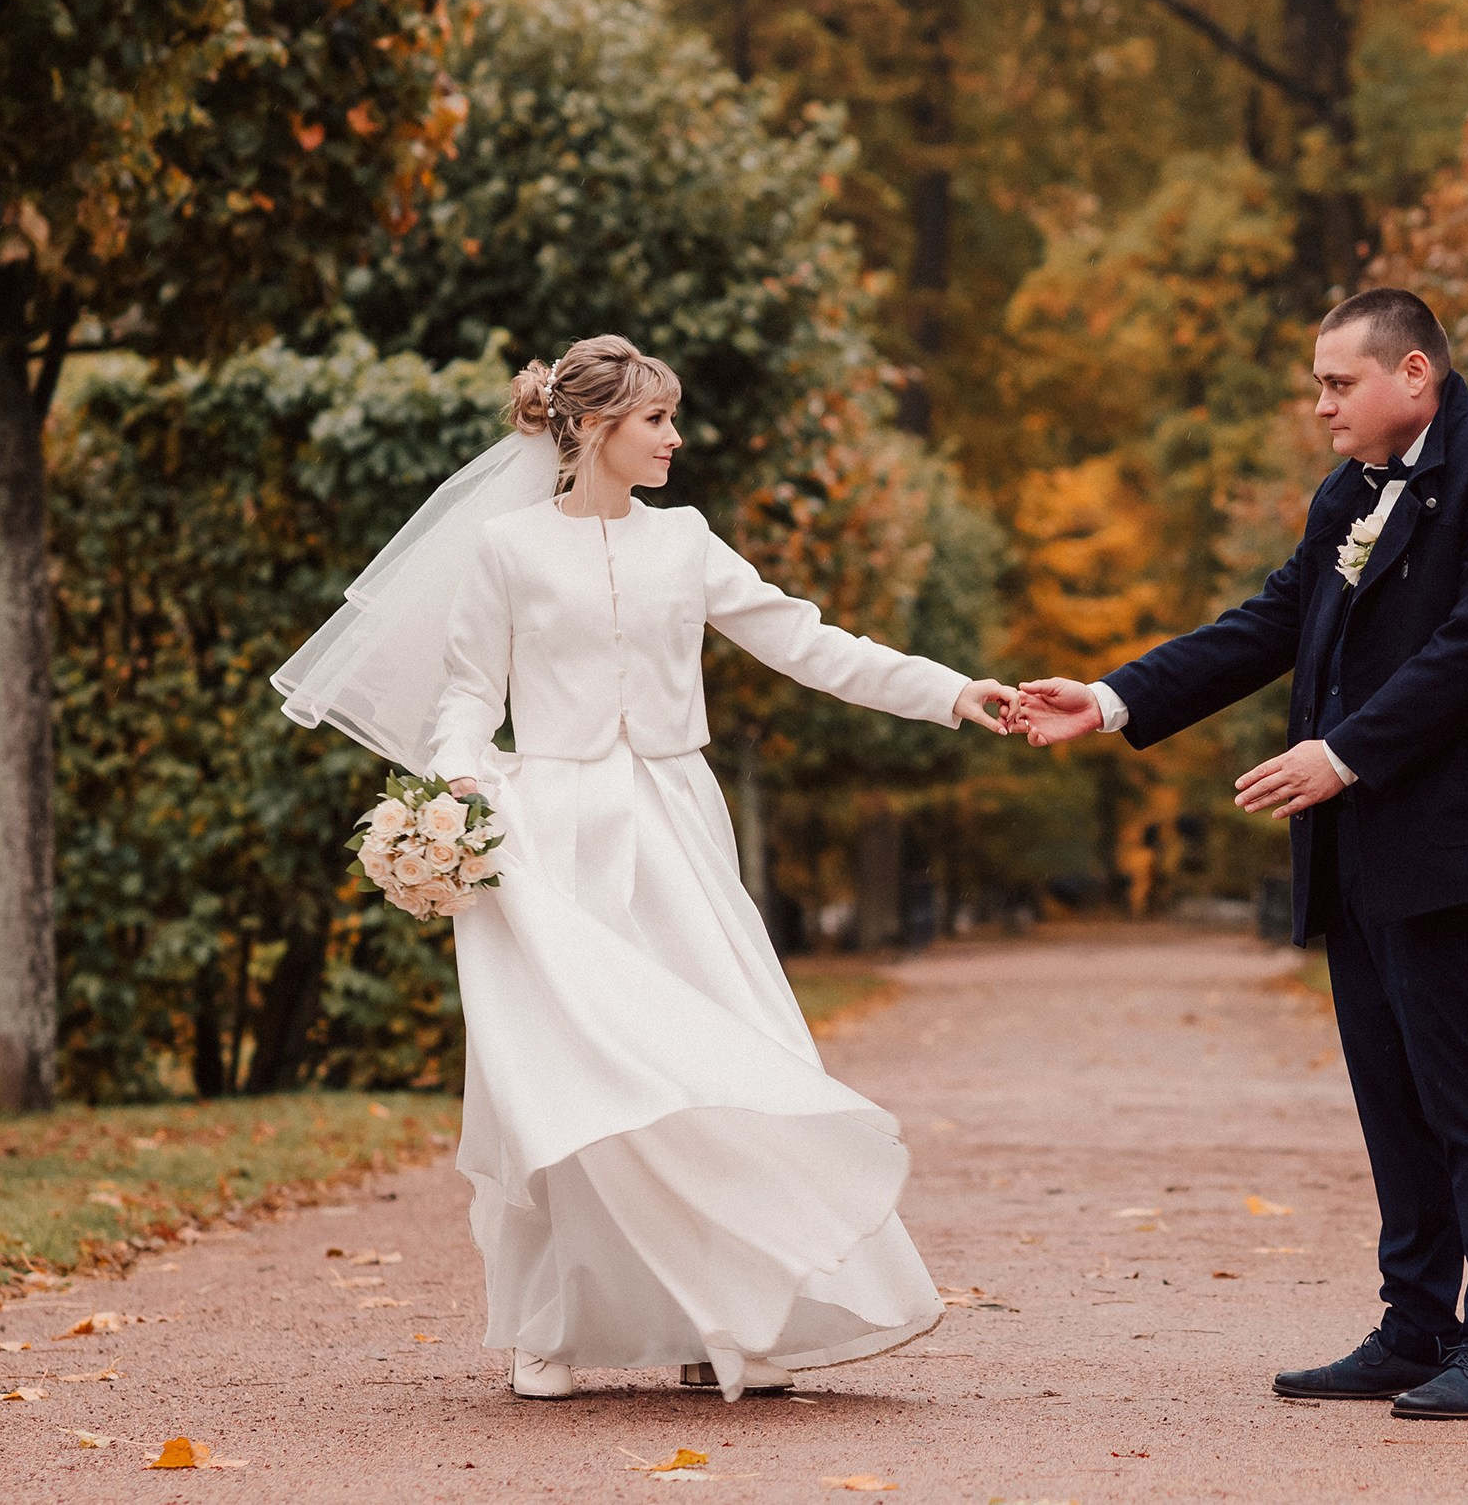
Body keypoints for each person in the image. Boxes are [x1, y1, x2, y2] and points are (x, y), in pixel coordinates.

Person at [273, 334, 1014, 1402]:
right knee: (565, 1081)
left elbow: (807, 640)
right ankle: (547, 1326)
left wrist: (948, 690)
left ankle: (728, 1320)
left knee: (715, 1064)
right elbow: (469, 694)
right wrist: (456, 785)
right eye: (655, 419)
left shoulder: (687, 540)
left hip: (675, 827)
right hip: (551, 835)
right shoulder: (507, 547)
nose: (674, 438)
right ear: (590, 427)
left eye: (671, 418)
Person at [1013, 288, 1468, 1421]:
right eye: (1317, 386)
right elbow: (1275, 619)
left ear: (1414, 373)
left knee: (1463, 1087)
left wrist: (1344, 754)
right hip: (1359, 837)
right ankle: (1416, 1325)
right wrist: (1111, 698)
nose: (1321, 405)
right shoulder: (1349, 491)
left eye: (1338, 383)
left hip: (1460, 830)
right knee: (1389, 1091)